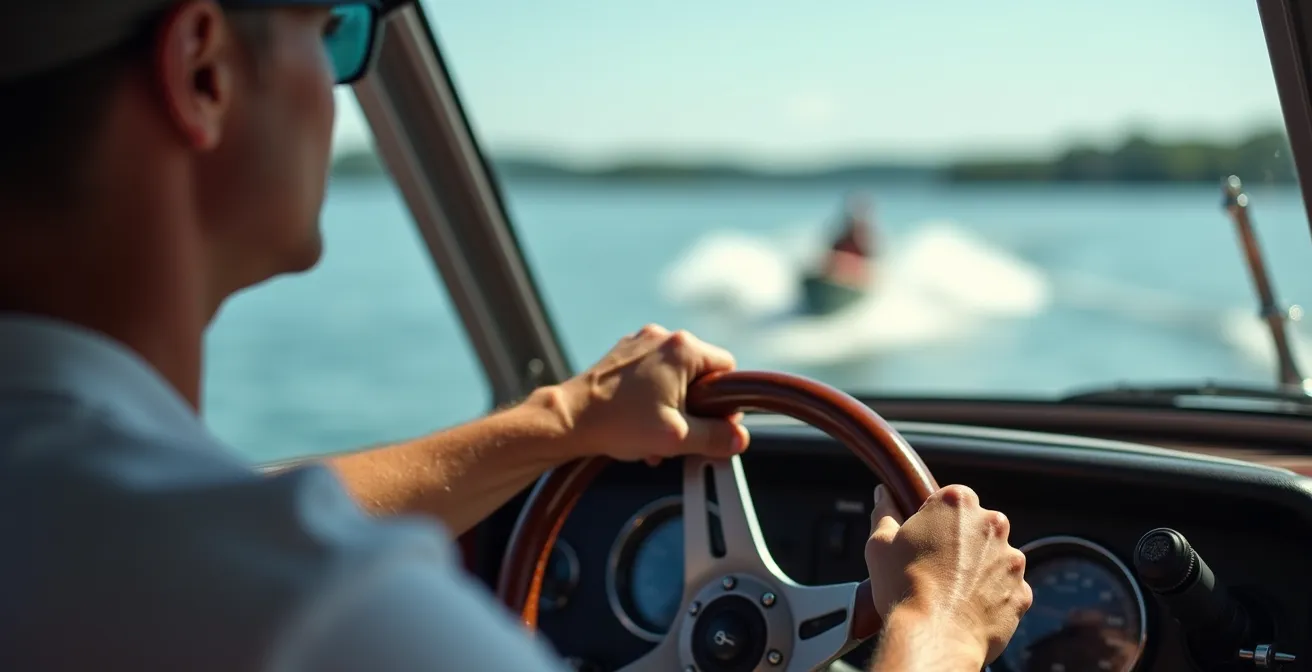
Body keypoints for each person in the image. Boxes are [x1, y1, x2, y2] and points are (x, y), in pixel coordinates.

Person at [0, 2, 1030, 671]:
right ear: (204, 73)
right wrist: (937, 626)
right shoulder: (318, 622)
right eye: (336, 30)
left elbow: (247, 504)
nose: (342, 86)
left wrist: (563, 421)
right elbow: (247, 541)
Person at [821, 192, 878, 288]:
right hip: (837, 277)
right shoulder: (841, 238)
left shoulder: (864, 238)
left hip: (853, 280)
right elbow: (831, 255)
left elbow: (868, 262)